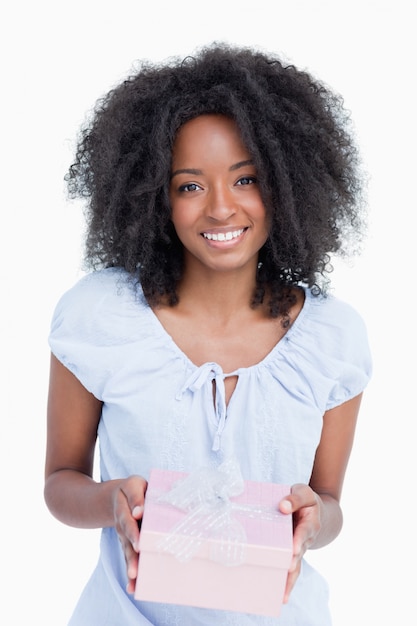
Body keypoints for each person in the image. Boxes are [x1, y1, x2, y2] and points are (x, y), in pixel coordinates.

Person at [44, 42, 372, 625]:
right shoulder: (100, 320)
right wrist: (110, 500)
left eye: (246, 179)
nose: (221, 209)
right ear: (156, 197)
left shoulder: (332, 341)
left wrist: (313, 520)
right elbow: (59, 482)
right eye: (190, 185)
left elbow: (329, 504)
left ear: (286, 186)